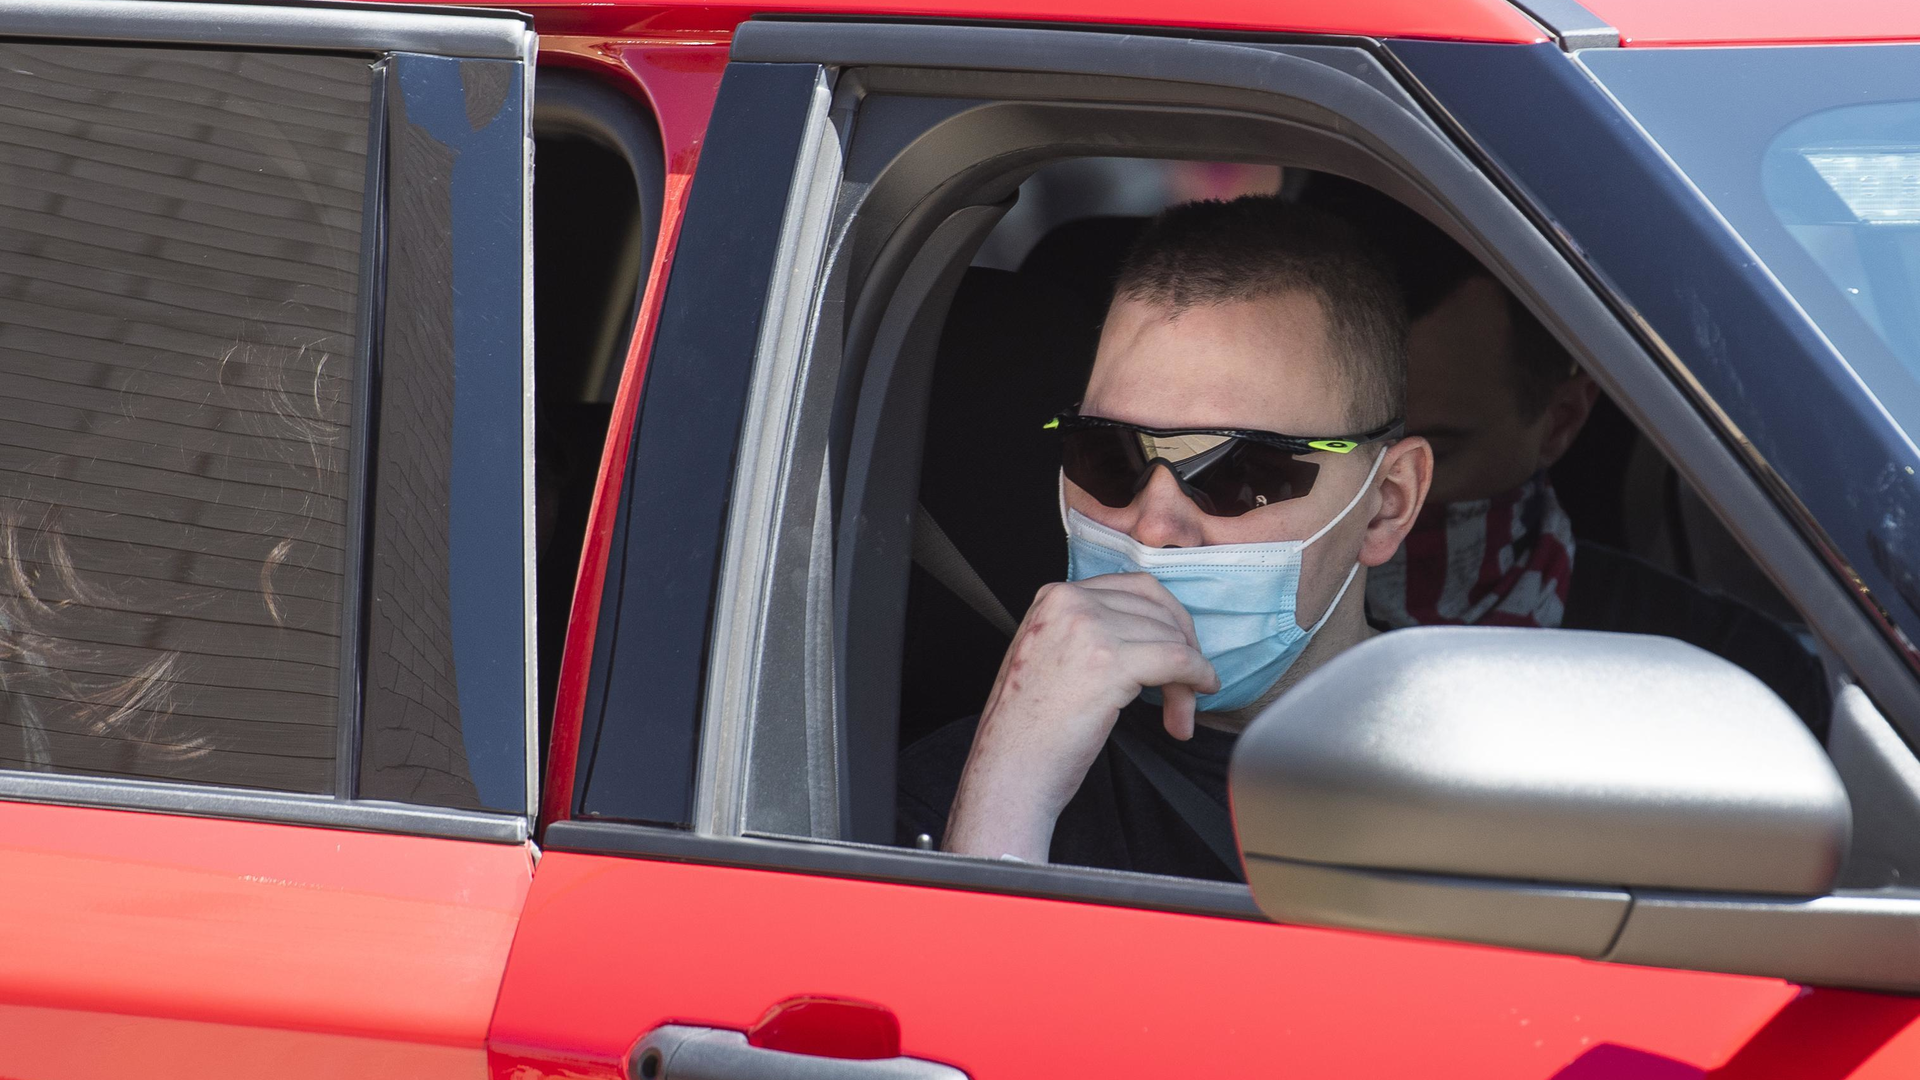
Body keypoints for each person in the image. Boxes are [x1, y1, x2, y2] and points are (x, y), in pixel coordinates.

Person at [896, 196, 1433, 881]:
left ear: (1387, 505)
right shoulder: (950, 791)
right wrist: (1007, 797)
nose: (1154, 526)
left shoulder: (1512, 781)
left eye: (1243, 470)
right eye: (1108, 456)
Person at [1355, 205, 1832, 731]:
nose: (1374, 497)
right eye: (1330, 450)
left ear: (1560, 422)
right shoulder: (1252, 648)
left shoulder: (1723, 683)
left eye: (1432, 457)